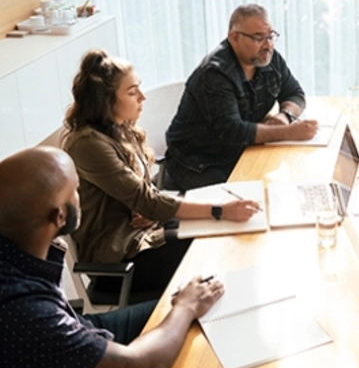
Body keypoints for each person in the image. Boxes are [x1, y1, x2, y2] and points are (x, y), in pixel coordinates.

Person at [0, 146, 224, 368]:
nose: (81, 196)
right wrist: (186, 307)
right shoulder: (23, 314)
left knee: (192, 308)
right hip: (72, 340)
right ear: (60, 217)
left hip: (79, 324)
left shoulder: (18, 250)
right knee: (189, 317)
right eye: (76, 190)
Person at [64, 49, 260, 295]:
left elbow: (147, 197)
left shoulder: (119, 129)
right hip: (120, 262)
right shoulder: (88, 144)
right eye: (132, 92)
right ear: (106, 100)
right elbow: (146, 200)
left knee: (219, 232)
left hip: (145, 235)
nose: (143, 97)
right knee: (213, 245)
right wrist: (219, 209)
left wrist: (154, 212)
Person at [164, 3, 319, 190]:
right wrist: (289, 133)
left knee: (291, 181)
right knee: (246, 203)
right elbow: (233, 131)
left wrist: (285, 116)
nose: (268, 44)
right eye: (258, 38)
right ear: (234, 38)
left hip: (242, 150)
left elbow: (294, 93)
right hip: (199, 162)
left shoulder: (269, 58)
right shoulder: (214, 74)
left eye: (270, 36)